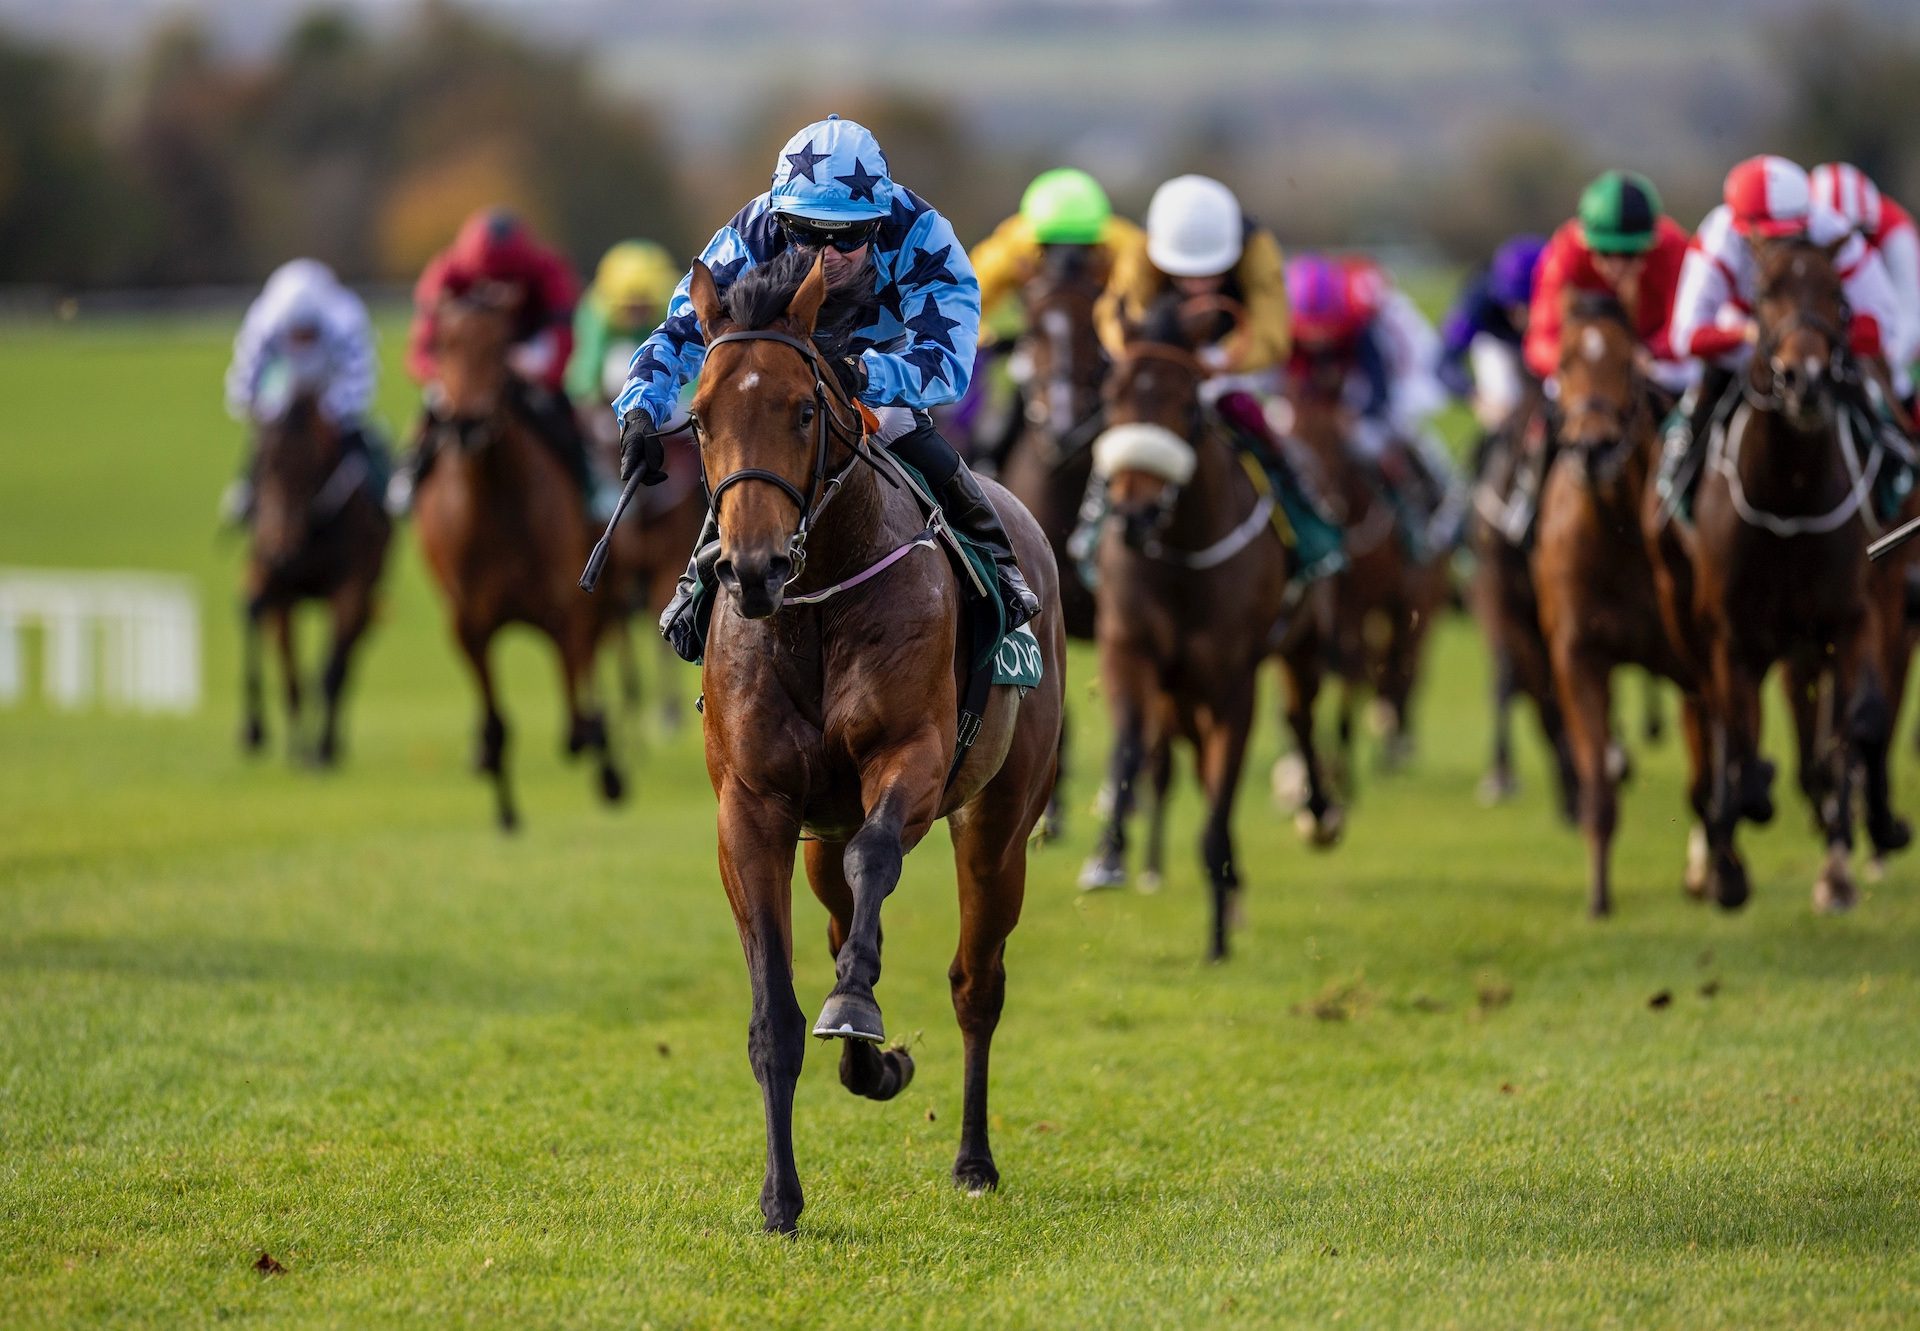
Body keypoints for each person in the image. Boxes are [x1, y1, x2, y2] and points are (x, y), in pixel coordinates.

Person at [614, 115, 1039, 662]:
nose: (825, 255)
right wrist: (640, 411)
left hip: (880, 374)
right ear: (781, 217)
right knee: (750, 439)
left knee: (903, 426)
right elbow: (679, 330)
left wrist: (863, 375)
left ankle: (995, 561)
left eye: (847, 237)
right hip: (782, 375)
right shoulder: (753, 232)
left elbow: (948, 368)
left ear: (879, 224)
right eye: (808, 234)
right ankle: (699, 580)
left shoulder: (924, 237)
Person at [1663, 154, 1910, 510]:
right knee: (1699, 399)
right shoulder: (1718, 238)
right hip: (1745, 345)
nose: (1784, 244)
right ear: (1742, 227)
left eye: (1793, 231)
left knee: (1873, 398)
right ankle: (1677, 481)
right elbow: (1685, 336)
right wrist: (1745, 336)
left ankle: (1895, 469)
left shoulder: (1830, 229)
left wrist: (1825, 341)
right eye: (1772, 236)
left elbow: (1882, 322)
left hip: (1819, 345)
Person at [393, 208, 616, 518]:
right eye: (486, 285)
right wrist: (448, 377)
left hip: (526, 358)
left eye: (508, 285)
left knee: (561, 411)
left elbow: (565, 338)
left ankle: (592, 481)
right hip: (469, 368)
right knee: (434, 406)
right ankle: (411, 470)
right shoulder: (445, 275)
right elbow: (420, 353)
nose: (498, 294)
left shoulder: (549, 271)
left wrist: (539, 367)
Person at [959, 168, 1143, 465]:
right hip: (1040, 335)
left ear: (1100, 237)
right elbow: (963, 301)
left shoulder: (1125, 246)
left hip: (1100, 334)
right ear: (1034, 240)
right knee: (1018, 389)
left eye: (1083, 249)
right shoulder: (1008, 248)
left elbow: (1142, 306)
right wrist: (991, 338)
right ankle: (988, 459)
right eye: (1051, 248)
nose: (1068, 259)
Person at [222, 258, 384, 523]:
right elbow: (244, 385)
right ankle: (247, 489)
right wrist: (272, 414)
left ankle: (384, 492)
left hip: (330, 385)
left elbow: (360, 381)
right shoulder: (263, 325)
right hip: (285, 389)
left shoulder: (347, 320)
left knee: (362, 441)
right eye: (296, 335)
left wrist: (329, 411)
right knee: (266, 446)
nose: (302, 341)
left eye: (308, 334)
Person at [1526, 170, 1693, 395]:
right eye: (1604, 252)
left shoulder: (1674, 248)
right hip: (1588, 361)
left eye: (1629, 253)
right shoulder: (1565, 251)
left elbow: (1689, 327)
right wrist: (1583, 360)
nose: (1616, 266)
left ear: (1651, 242)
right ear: (1584, 241)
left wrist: (1651, 352)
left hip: (1651, 360)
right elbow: (1540, 341)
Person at [1812, 161, 1920, 400]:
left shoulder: (1896, 233)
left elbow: (1909, 313)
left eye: (1857, 236)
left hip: (1892, 340)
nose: (1846, 251)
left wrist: (1887, 358)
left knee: (1899, 390)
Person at [1438, 233, 1545, 431]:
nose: (1523, 315)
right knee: (1505, 408)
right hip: (1498, 345)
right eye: (1514, 305)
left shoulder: (1563, 293)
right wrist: (1477, 398)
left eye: (1530, 304)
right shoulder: (1478, 298)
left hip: (1546, 342)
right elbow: (1445, 363)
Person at [567, 239, 681, 410]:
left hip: (672, 397)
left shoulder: (678, 308)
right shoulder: (596, 310)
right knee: (620, 362)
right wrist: (590, 403)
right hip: (611, 401)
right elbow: (585, 368)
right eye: (630, 307)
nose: (637, 315)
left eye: (644, 306)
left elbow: (693, 361)